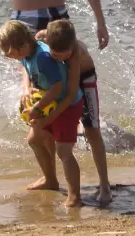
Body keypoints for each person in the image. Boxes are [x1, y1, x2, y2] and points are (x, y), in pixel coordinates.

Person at [0, 19, 84, 207]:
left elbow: (57, 88)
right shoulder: (26, 53)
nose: (8, 56)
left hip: (66, 106)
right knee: (34, 140)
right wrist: (26, 88)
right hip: (47, 103)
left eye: (9, 52)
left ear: (22, 46)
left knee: (64, 151)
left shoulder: (43, 58)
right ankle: (50, 180)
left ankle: (75, 196)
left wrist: (36, 108)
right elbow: (25, 68)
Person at [36, 21, 112, 205]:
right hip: (61, 81)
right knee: (49, 130)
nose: (59, 58)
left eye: (64, 55)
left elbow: (71, 94)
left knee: (92, 130)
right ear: (48, 42)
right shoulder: (43, 37)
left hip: (84, 80)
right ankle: (50, 178)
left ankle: (105, 185)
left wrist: (53, 114)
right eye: (55, 55)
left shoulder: (75, 52)